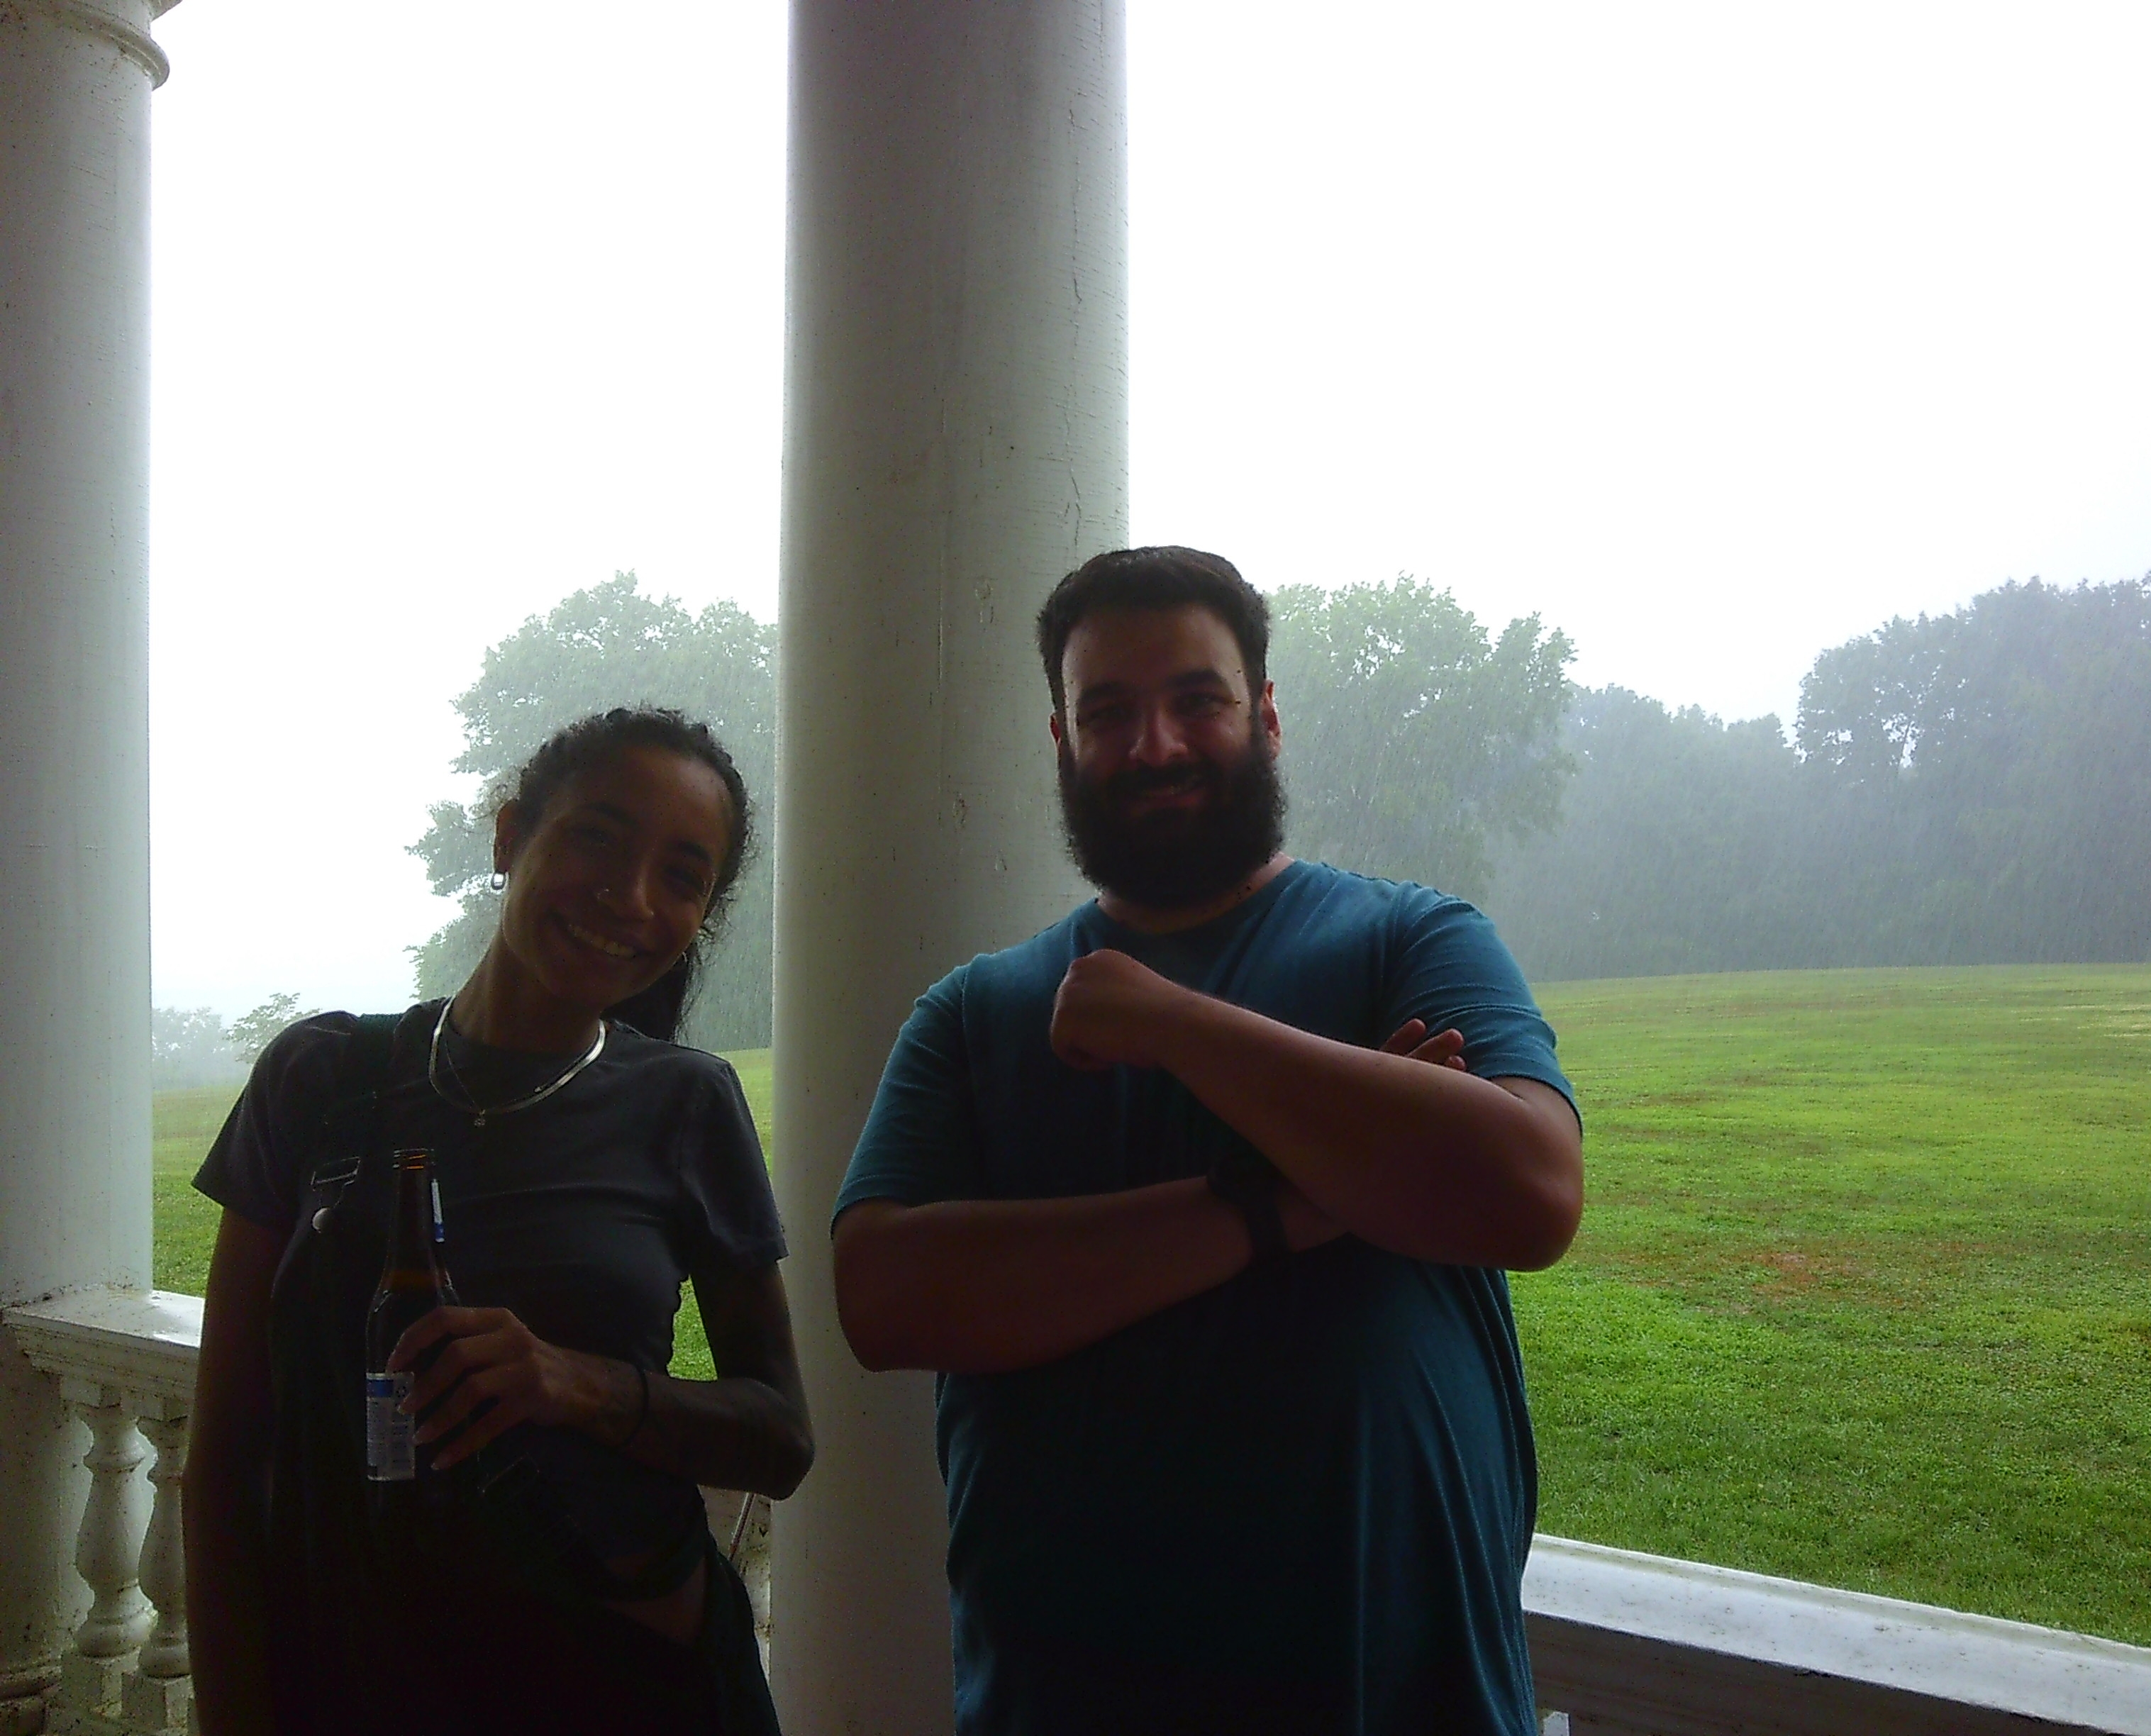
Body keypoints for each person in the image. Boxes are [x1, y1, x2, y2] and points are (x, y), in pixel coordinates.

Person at [833, 547, 1586, 1735]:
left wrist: (1172, 1024)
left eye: (1198, 700)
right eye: (1110, 713)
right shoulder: (973, 1015)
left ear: (1267, 716)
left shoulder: (1414, 938)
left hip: (1402, 1700)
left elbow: (1528, 1192)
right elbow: (885, 1300)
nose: (1157, 745)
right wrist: (1282, 1204)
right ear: (1062, 743)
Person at [183, 708, 812, 1736]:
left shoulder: (686, 1105)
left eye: (683, 875)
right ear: (511, 832)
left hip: (621, 1681)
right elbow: (224, 1460)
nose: (631, 896)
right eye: (598, 836)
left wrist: (578, 1384)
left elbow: (781, 1439)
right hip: (354, 1684)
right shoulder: (323, 1079)